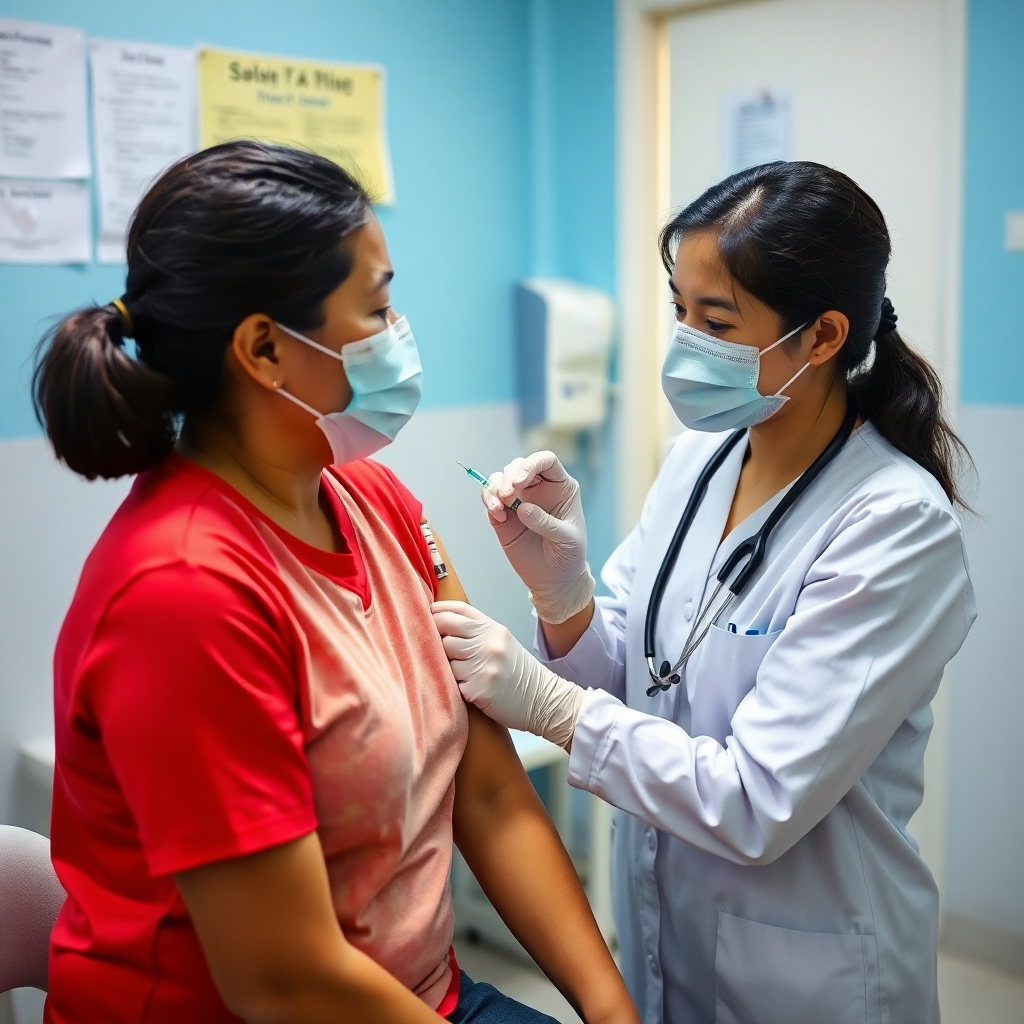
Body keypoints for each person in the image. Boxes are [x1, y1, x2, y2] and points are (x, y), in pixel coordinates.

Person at [33, 141, 638, 1024]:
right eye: (378, 307)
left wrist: (610, 1010)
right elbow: (286, 980)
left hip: (424, 995)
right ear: (265, 350)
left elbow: (493, 792)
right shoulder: (184, 591)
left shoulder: (372, 498)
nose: (399, 335)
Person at [433, 161, 976, 1024]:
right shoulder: (701, 460)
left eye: (715, 321)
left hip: (811, 974)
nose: (686, 342)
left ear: (824, 336)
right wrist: (565, 596)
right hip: (664, 936)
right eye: (679, 311)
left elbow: (756, 802)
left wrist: (550, 708)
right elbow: (631, 685)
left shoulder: (894, 527)